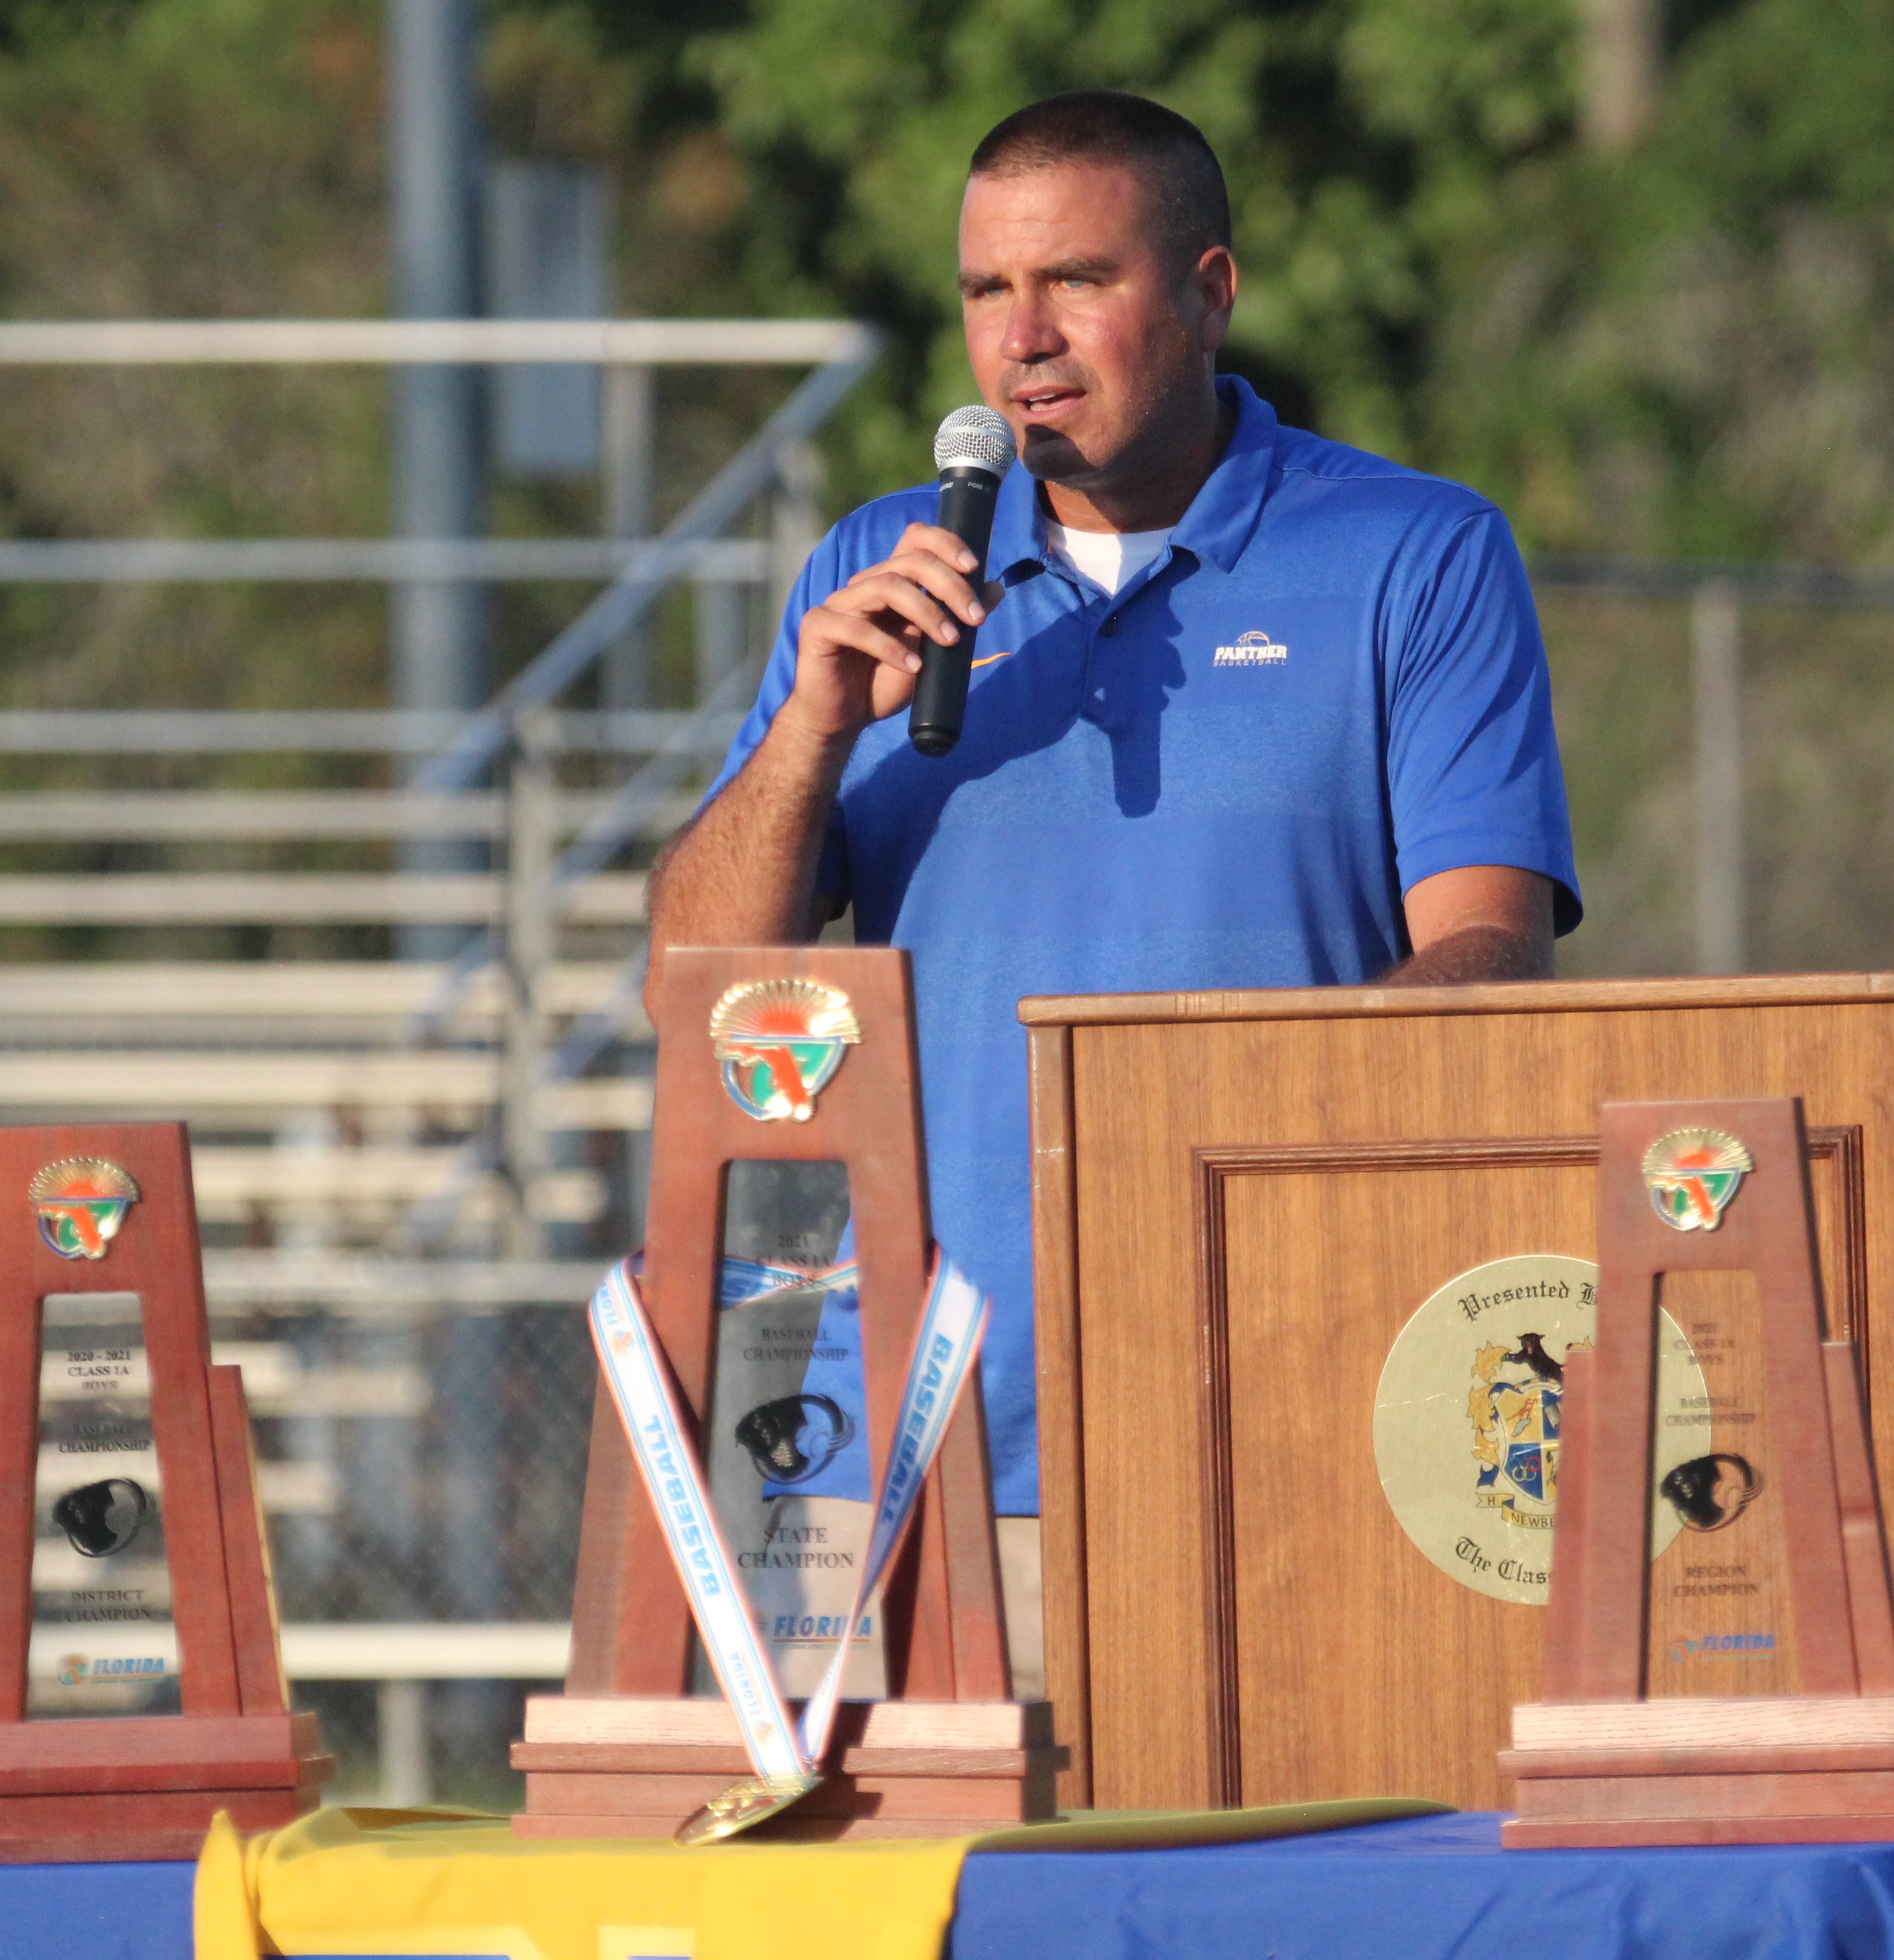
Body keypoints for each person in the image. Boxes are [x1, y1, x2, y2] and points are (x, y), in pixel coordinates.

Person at [645, 89, 1581, 1692]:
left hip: (1292, 1429)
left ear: (1213, 289)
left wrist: (1211, 1108)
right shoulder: (877, 577)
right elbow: (703, 987)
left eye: (1077, 281)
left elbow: (1487, 960)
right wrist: (808, 729)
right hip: (917, 1462)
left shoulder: (1416, 555)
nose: (1024, 339)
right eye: (985, 294)